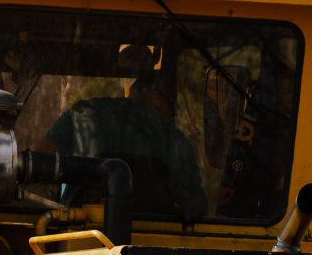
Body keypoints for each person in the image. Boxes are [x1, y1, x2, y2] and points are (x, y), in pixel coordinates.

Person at [37, 51, 210, 222]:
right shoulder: (172, 139)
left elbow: (42, 158)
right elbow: (194, 205)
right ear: (162, 97)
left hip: (74, 231)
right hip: (153, 237)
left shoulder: (82, 114)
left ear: (130, 90)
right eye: (171, 103)